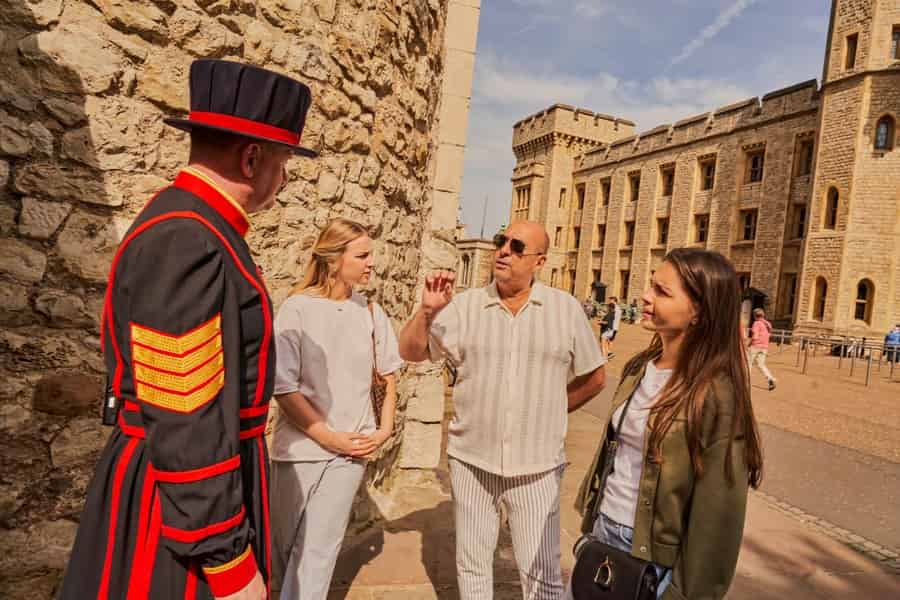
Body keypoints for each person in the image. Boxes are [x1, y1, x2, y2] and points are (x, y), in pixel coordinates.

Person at [60, 59, 318, 600]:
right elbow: (185, 412)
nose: (285, 177)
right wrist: (224, 556)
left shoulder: (199, 225)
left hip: (194, 487)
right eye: (284, 160)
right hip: (180, 510)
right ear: (252, 157)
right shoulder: (188, 238)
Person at [398, 221, 607, 600]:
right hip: (472, 461)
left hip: (538, 467)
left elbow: (595, 377)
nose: (503, 251)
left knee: (541, 571)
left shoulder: (565, 310)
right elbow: (411, 352)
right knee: (473, 566)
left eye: (516, 246)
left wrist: (555, 411)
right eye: (500, 242)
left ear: (539, 261)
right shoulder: (465, 307)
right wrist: (427, 313)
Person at [572, 248, 764, 600]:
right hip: (604, 535)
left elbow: (718, 517)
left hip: (653, 561)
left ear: (698, 311)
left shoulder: (717, 394)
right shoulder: (638, 367)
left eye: (662, 291)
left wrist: (686, 593)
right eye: (651, 285)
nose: (645, 295)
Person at [269, 218, 403, 600]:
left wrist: (384, 430)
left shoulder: (372, 311)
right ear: (333, 259)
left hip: (351, 451)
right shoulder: (297, 309)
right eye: (362, 255)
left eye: (371, 254)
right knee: (285, 551)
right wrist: (327, 437)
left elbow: (388, 376)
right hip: (297, 451)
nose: (371, 263)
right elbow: (284, 387)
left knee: (317, 553)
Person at [748, 307, 776, 391]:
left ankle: (746, 382)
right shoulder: (768, 324)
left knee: (748, 364)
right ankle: (770, 379)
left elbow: (755, 336)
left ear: (754, 315)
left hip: (756, 346)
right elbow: (769, 335)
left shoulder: (756, 323)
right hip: (764, 347)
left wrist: (748, 344)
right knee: (761, 365)